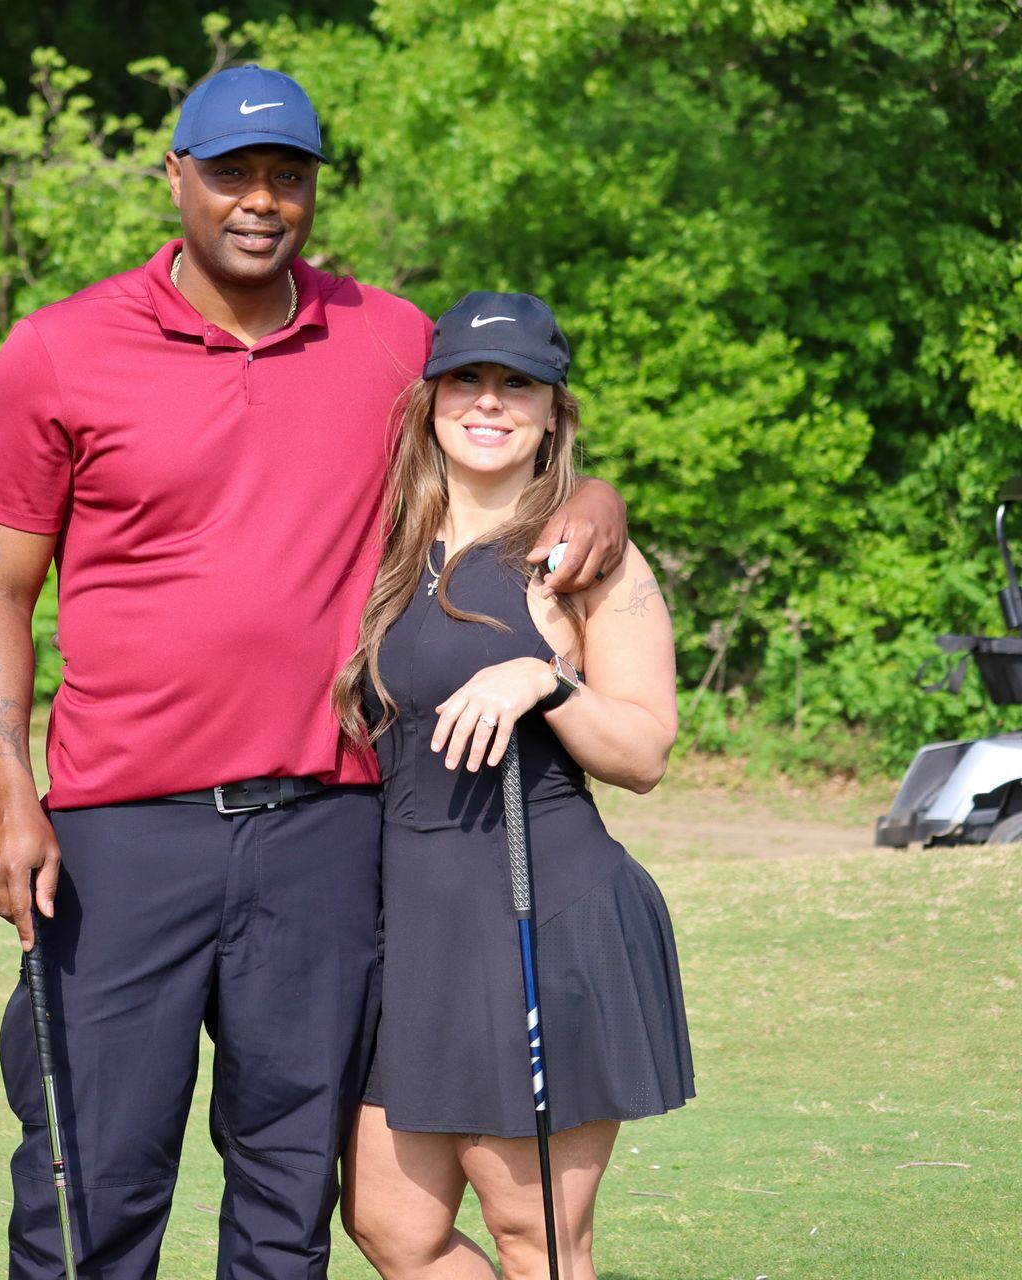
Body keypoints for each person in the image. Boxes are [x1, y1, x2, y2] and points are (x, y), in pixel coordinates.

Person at [0, 66, 628, 1278]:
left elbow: (508, 424)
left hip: (328, 828)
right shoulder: (58, 350)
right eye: (231, 174)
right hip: (121, 831)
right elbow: (0, 589)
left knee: (285, 1197)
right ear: (176, 177)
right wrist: (9, 787)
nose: (260, 200)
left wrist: (597, 494)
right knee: (90, 1183)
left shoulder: (388, 335)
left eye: (288, 176)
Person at [333, 292, 695, 1279]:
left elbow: (644, 749)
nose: (488, 402)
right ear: (432, 398)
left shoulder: (584, 561)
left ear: (553, 412)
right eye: (468, 379)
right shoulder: (383, 547)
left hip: (544, 917)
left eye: (518, 384)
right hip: (410, 931)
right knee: (388, 1223)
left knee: (536, 1234)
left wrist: (547, 674)